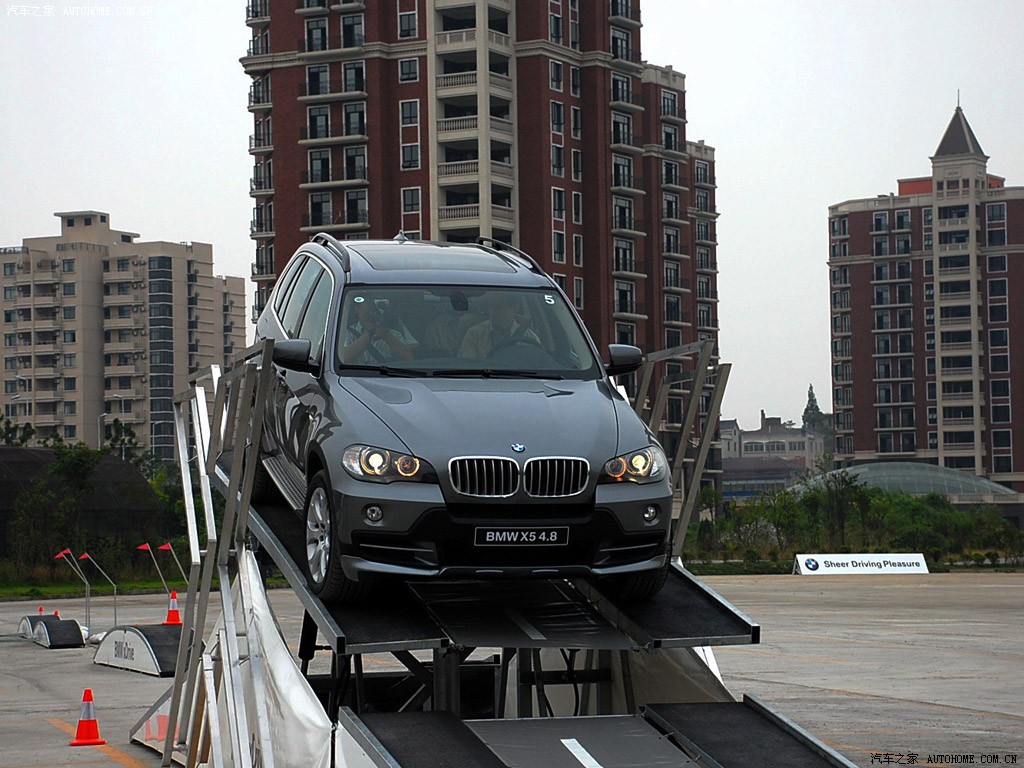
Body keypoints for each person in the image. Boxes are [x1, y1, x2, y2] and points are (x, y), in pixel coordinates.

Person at [459, 292, 540, 359]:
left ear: (514, 309)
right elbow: (466, 366)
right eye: (491, 307)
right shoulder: (474, 335)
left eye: (499, 308)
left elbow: (538, 365)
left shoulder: (529, 339)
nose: (493, 313)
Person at [341, 297, 417, 364]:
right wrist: (368, 334)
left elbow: (408, 359)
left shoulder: (394, 334)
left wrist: (387, 336)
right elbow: (343, 358)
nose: (374, 306)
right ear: (357, 309)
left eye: (378, 303)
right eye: (370, 301)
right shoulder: (345, 333)